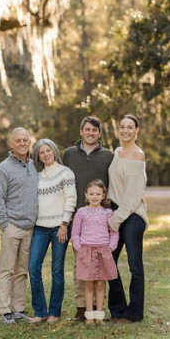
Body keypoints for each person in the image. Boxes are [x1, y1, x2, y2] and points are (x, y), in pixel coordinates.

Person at [62, 116, 114, 321]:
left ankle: (98, 307)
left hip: (101, 220)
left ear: (99, 133)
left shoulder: (108, 156)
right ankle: (82, 307)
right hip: (78, 217)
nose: (90, 133)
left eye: (94, 130)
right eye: (87, 130)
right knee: (80, 266)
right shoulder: (69, 154)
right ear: (81, 132)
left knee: (101, 267)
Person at [0, 127, 39, 324]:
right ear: (11, 144)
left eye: (25, 140)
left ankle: (19, 309)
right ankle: (4, 310)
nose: (22, 143)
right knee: (6, 270)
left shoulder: (34, 165)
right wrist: (5, 224)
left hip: (30, 228)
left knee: (22, 271)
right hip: (12, 227)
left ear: (29, 142)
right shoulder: (4, 168)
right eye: (18, 140)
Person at [28, 139, 76, 324]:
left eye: (48, 150)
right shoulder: (37, 175)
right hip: (39, 227)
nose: (46, 154)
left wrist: (64, 224)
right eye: (42, 152)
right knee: (33, 267)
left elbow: (70, 199)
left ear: (54, 151)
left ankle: (55, 311)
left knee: (57, 269)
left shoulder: (66, 173)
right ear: (38, 156)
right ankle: (40, 311)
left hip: (59, 227)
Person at [107, 114, 149, 323]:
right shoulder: (117, 152)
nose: (125, 130)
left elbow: (133, 196)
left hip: (132, 215)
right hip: (116, 211)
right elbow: (114, 185)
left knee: (134, 265)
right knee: (109, 261)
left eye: (130, 127)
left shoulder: (138, 156)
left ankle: (134, 313)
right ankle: (118, 310)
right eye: (122, 126)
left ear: (136, 130)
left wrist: (116, 219)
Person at [71, 180, 119, 325]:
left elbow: (114, 233)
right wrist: (79, 247)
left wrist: (110, 247)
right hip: (87, 251)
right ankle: (89, 316)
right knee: (89, 284)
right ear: (86, 195)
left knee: (100, 284)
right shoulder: (81, 212)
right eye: (91, 194)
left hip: (103, 251)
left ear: (103, 196)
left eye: (98, 194)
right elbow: (75, 233)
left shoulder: (108, 213)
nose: (94, 197)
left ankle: (99, 315)